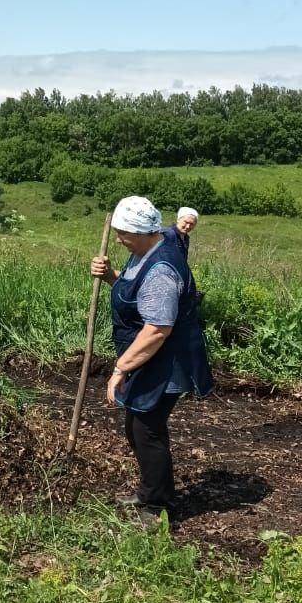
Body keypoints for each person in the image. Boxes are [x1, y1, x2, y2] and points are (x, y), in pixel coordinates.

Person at [91, 195, 212, 525]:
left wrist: (120, 369)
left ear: (145, 231)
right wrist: (111, 276)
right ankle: (150, 491)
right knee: (138, 426)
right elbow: (134, 292)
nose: (118, 238)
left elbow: (157, 330)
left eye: (124, 233)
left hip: (165, 361)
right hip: (148, 358)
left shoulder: (161, 271)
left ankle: (156, 508)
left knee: (147, 430)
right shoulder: (143, 253)